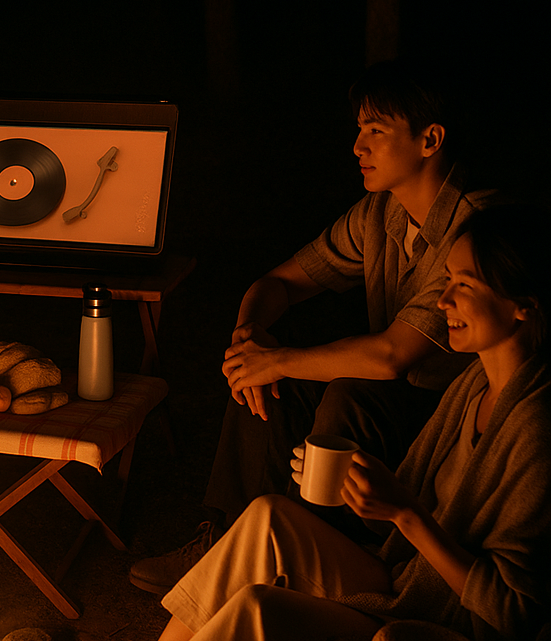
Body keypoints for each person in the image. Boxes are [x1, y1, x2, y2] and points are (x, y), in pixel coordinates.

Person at [0, 203, 551, 641]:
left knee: (263, 611)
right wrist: (365, 484)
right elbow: (410, 502)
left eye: (463, 285)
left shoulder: (538, 429)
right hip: (409, 581)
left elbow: (515, 617)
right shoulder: (476, 382)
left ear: (523, 305)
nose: (443, 300)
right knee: (269, 515)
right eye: (446, 280)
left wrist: (403, 512)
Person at [130, 58, 498, 595]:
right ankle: (230, 539)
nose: (358, 147)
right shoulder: (382, 212)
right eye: (358, 130)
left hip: (455, 415)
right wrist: (248, 342)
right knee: (267, 379)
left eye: (376, 131)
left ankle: (302, 558)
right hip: (399, 393)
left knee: (345, 390)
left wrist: (275, 358)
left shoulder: (477, 228)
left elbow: (392, 356)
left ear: (429, 139)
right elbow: (279, 282)